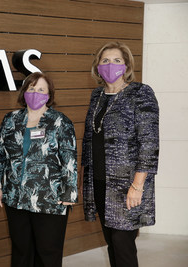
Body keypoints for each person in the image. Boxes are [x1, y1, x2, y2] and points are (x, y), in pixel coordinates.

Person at [82, 41, 159, 267]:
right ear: (97, 67)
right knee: (111, 243)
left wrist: (137, 186)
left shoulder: (140, 93)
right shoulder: (97, 96)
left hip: (126, 185)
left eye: (117, 60)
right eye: (105, 60)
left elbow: (149, 142)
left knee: (123, 244)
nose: (110, 64)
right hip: (99, 182)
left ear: (126, 66)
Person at [0, 72, 78, 267]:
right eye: (31, 88)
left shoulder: (60, 122)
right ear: (24, 92)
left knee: (48, 252)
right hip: (16, 197)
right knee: (21, 250)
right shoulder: (10, 120)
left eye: (41, 89)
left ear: (49, 94)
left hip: (50, 199)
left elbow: (69, 159)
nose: (35, 93)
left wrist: (69, 192)